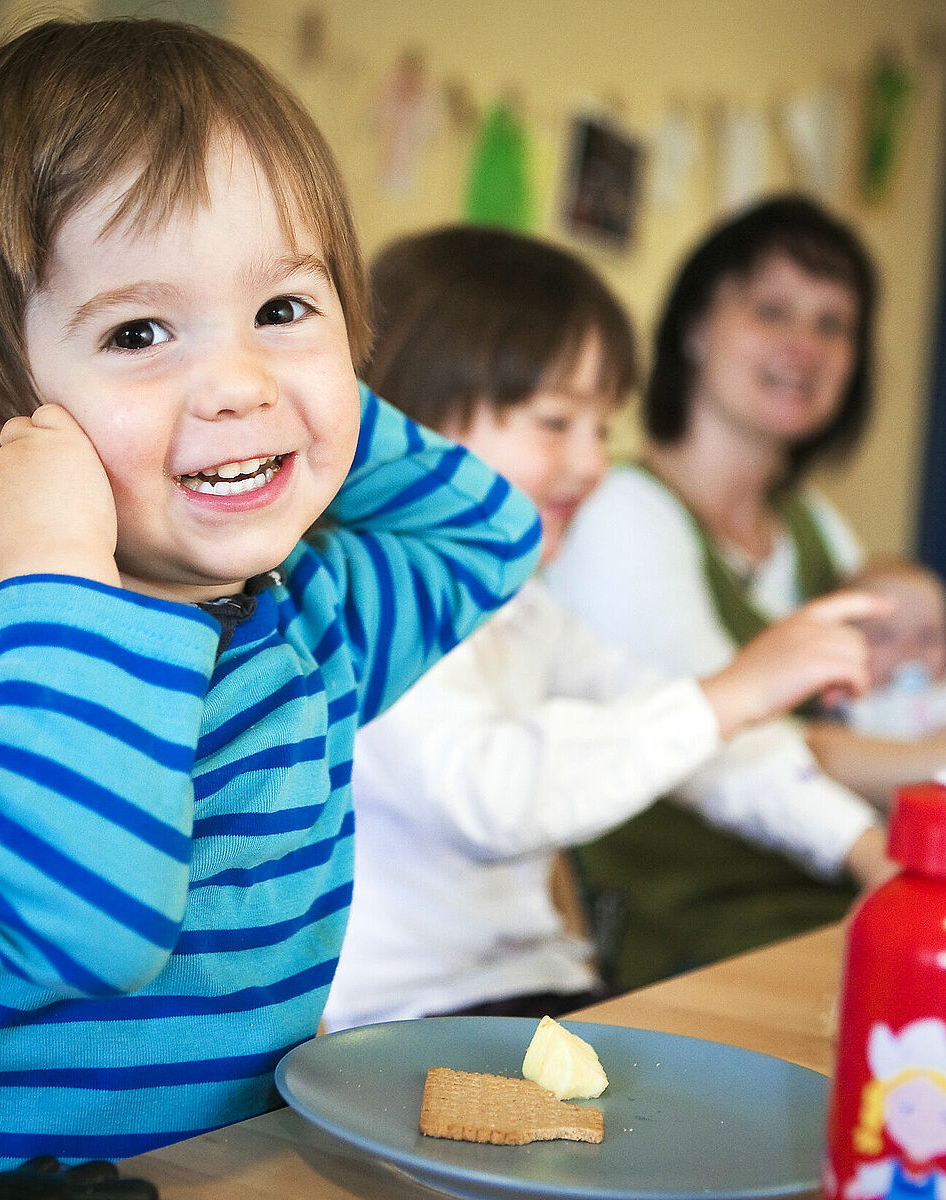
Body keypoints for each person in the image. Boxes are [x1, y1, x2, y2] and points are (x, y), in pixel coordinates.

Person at [0, 21, 541, 1200]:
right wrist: (59, 568)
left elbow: (491, 537)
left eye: (285, 308)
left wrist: (317, 402)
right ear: (12, 406)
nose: (236, 383)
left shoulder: (305, 623)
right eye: (140, 332)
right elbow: (85, 926)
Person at [321, 224, 890, 1033]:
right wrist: (730, 693)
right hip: (391, 1023)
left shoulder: (526, 608)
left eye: (601, 426)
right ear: (416, 422)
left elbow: (700, 740)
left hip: (531, 994)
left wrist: (863, 848)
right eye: (555, 423)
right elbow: (498, 796)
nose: (590, 463)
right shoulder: (368, 604)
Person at [546, 194, 888, 989]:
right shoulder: (622, 510)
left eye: (833, 324)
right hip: (684, 937)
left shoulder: (817, 529)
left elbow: (879, 711)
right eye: (774, 310)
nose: (805, 346)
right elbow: (723, 732)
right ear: (698, 326)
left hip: (823, 902)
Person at [807, 557, 946, 803]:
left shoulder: (939, 694)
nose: (910, 650)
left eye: (927, 636)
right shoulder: (844, 707)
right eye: (883, 636)